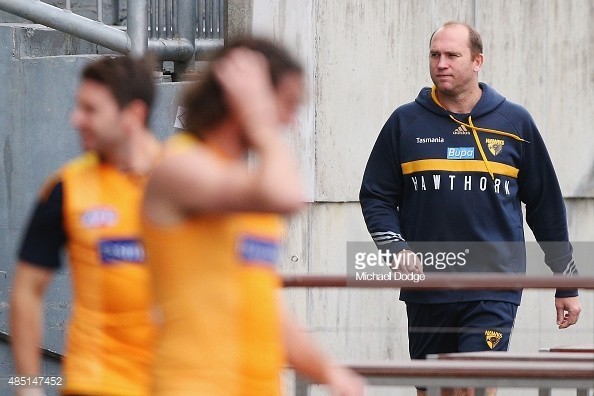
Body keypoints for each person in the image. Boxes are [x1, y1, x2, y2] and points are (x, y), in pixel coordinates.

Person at [359, 21, 581, 395]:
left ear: (478, 61)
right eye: (434, 55)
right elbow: (376, 195)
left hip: (493, 286)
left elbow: (546, 207)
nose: (441, 63)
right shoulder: (405, 122)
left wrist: (566, 282)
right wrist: (395, 248)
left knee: (472, 387)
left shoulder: (515, 123)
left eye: (452, 55)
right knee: (435, 390)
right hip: (428, 286)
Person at [142, 37, 365, 396]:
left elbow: (267, 305)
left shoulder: (248, 189)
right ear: (244, 96)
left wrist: (329, 371)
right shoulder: (179, 166)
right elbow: (289, 196)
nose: (289, 121)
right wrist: (258, 120)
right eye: (286, 104)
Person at [10, 56, 161, 396]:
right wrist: (28, 386)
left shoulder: (183, 182)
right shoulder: (66, 187)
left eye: (90, 109)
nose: (76, 119)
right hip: (93, 385)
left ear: (132, 116)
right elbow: (27, 290)